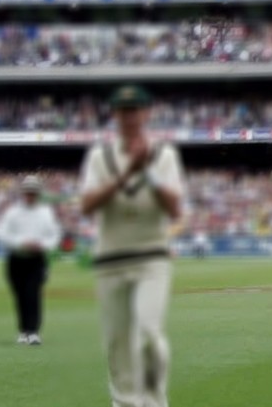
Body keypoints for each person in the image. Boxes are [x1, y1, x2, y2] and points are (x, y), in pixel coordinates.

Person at [80, 85, 184, 407]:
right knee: (117, 343)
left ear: (146, 114)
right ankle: (124, 403)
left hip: (152, 256)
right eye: (123, 111)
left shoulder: (164, 155)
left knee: (149, 335)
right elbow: (88, 205)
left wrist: (148, 173)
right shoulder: (100, 156)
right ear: (115, 115)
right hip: (110, 259)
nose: (129, 117)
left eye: (135, 110)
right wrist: (127, 172)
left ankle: (154, 402)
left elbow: (174, 208)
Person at [0, 174, 61, 345]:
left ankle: (33, 331)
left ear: (38, 194)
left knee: (33, 294)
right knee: (20, 296)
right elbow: (2, 233)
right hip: (16, 259)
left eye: (33, 192)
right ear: (23, 193)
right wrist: (21, 243)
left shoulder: (46, 212)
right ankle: (23, 330)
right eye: (28, 192)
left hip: (37, 259)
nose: (30, 196)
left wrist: (42, 245)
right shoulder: (12, 212)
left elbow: (54, 236)